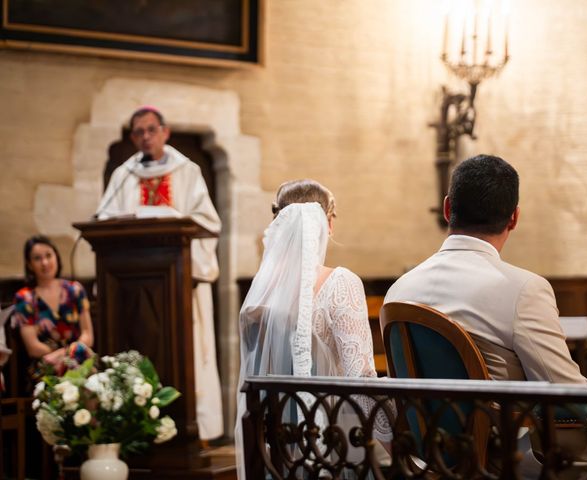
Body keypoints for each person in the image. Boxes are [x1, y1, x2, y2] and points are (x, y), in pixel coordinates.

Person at [384, 154, 587, 459]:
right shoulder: (523, 290)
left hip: (434, 455)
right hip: (510, 456)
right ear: (514, 218)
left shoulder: (398, 293)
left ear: (448, 207)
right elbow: (570, 397)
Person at [235, 179, 392, 479]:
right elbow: (361, 383)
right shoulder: (340, 283)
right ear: (327, 224)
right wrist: (401, 448)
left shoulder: (261, 292)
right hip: (328, 447)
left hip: (276, 453)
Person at [96, 106, 223, 441]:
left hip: (177, 282)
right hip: (134, 287)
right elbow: (103, 219)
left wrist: (173, 220)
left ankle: (193, 429)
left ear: (165, 132)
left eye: (151, 130)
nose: (145, 137)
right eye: (138, 132)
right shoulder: (124, 174)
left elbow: (209, 224)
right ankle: (131, 429)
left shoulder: (187, 171)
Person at [13, 235, 94, 383]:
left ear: (56, 257)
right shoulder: (25, 298)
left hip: (78, 356)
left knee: (86, 365)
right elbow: (33, 347)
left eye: (48, 256)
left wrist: (69, 354)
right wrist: (63, 357)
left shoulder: (75, 290)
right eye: (37, 258)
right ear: (30, 264)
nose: (45, 262)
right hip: (46, 364)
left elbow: (88, 334)